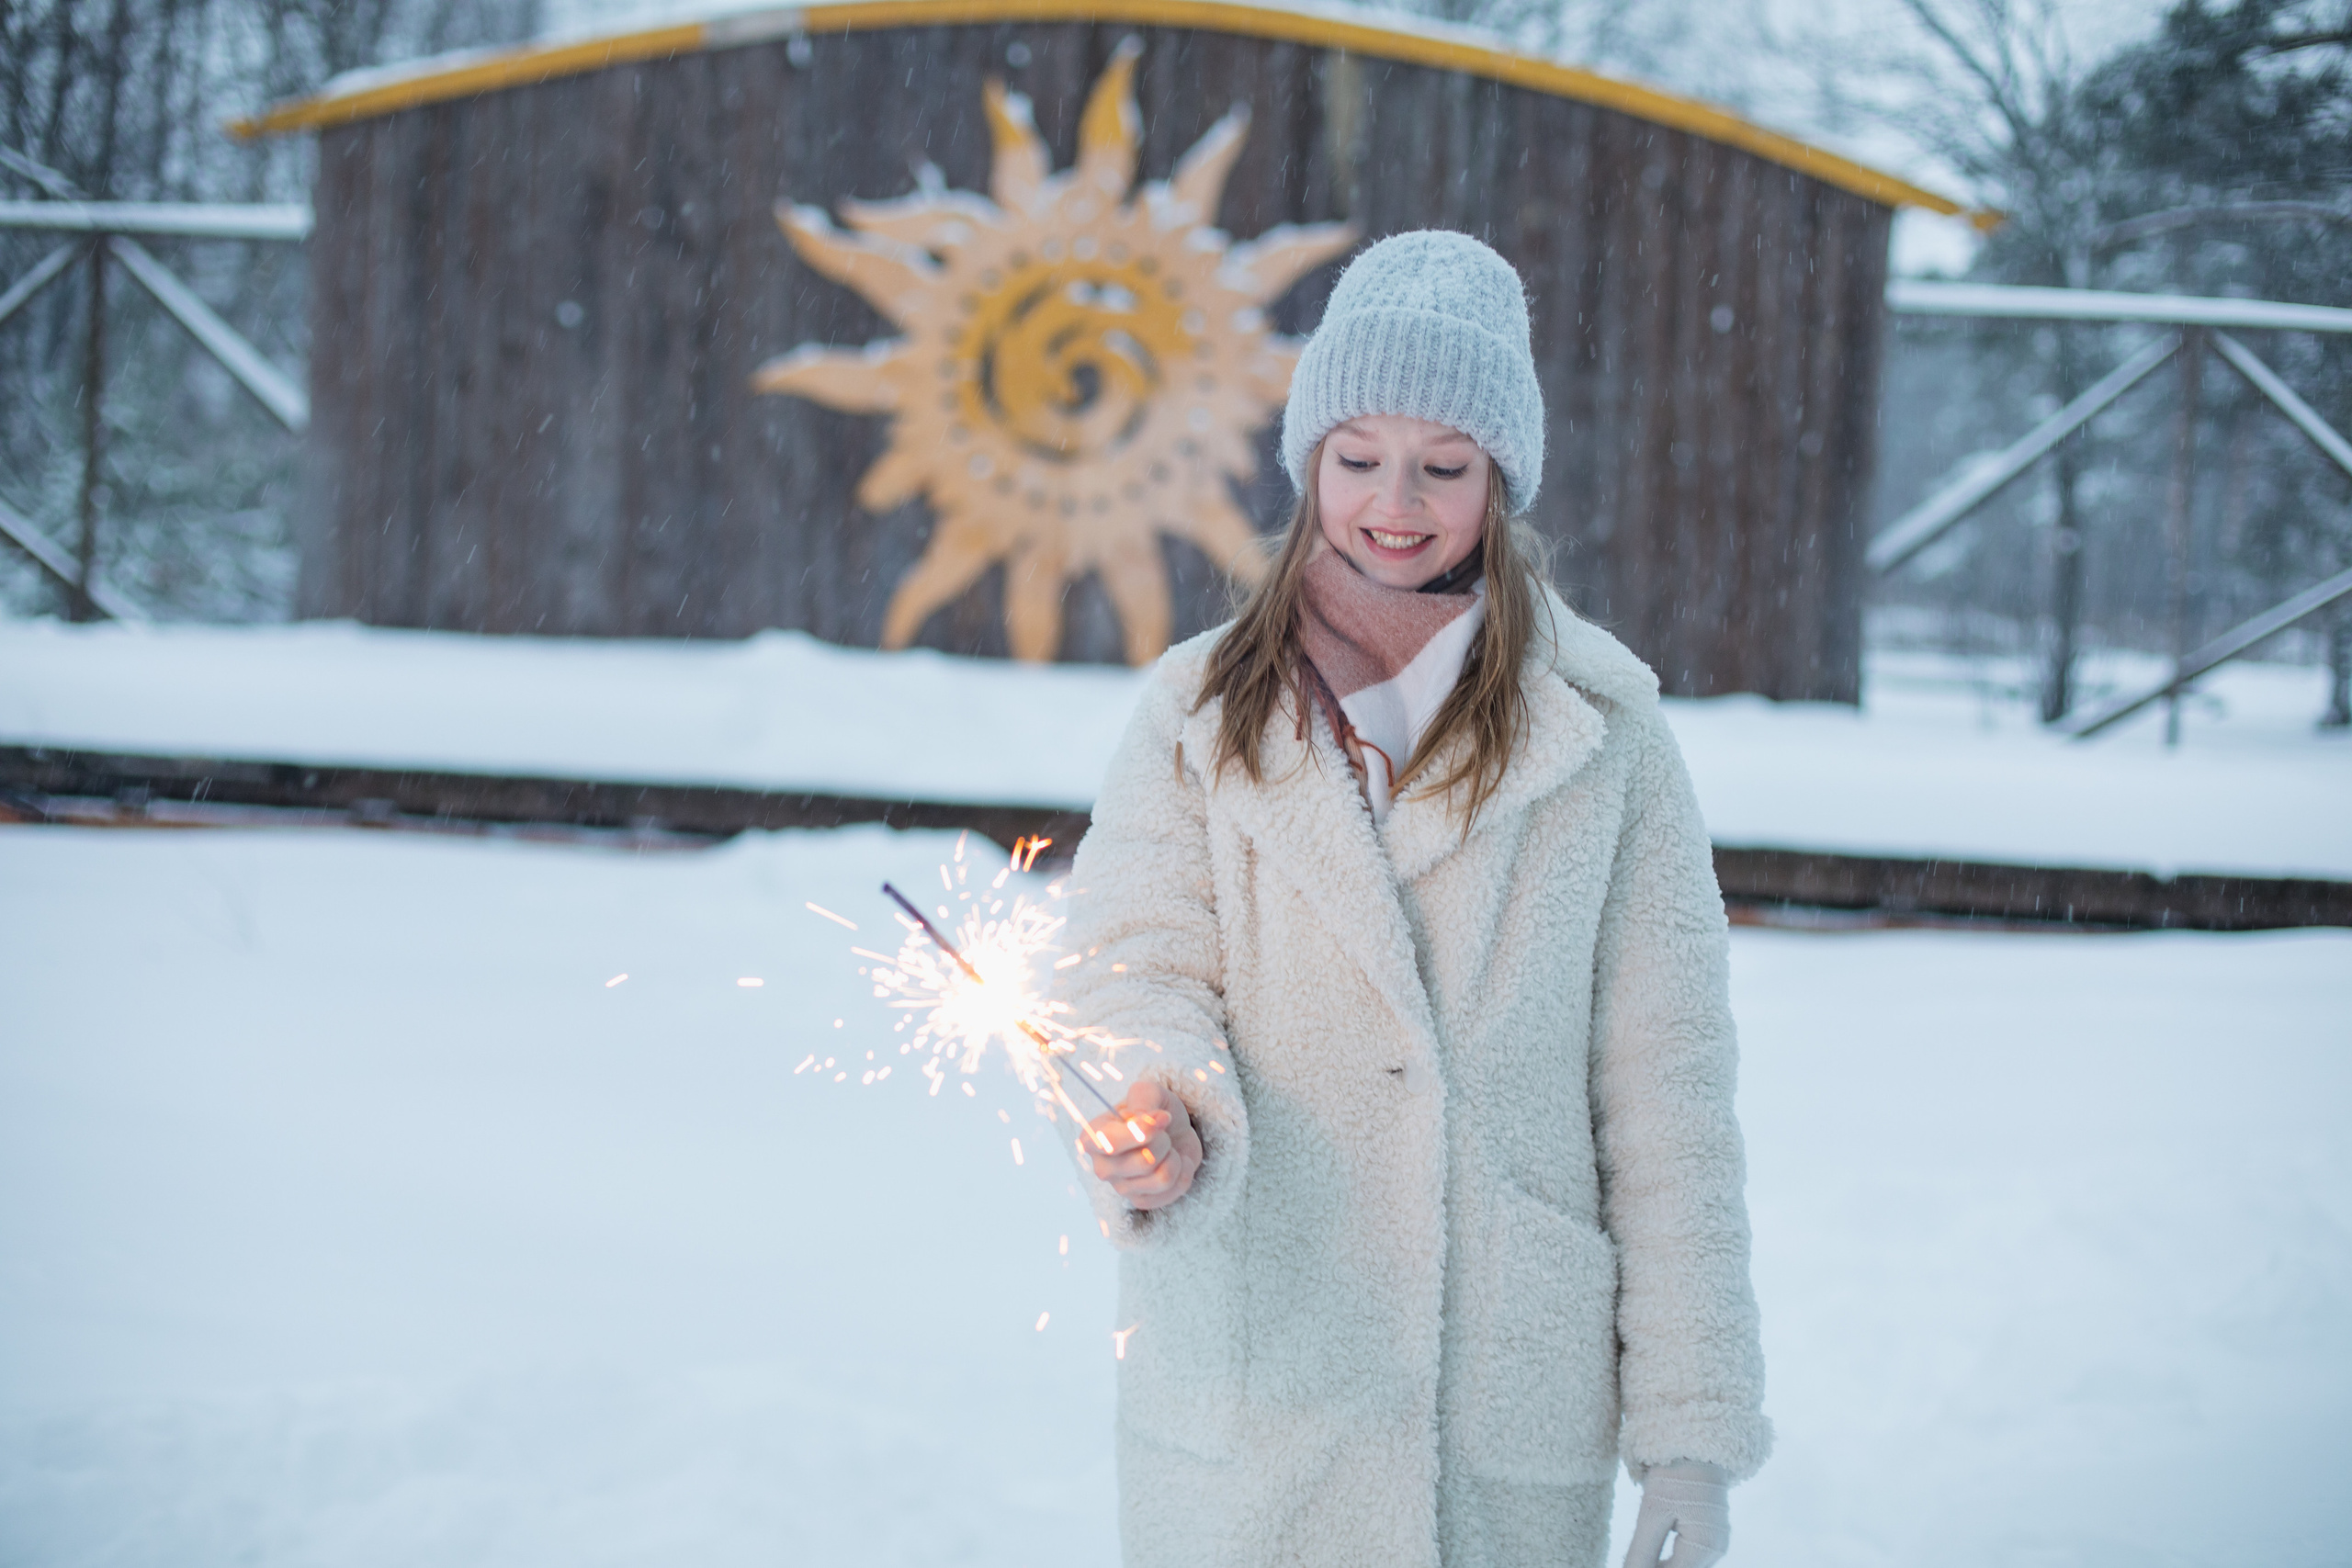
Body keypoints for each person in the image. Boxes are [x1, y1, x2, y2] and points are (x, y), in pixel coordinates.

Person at [1057, 231, 1769, 1568]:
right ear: (1308, 463)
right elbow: (1132, 966)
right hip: (1258, 1399)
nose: (1397, 500)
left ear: (1501, 479)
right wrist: (1155, 1100)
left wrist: (1690, 1436)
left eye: (1444, 466)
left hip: (1501, 1415)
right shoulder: (1197, 713)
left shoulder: (1605, 739)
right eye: (1359, 456)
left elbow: (1669, 1102)